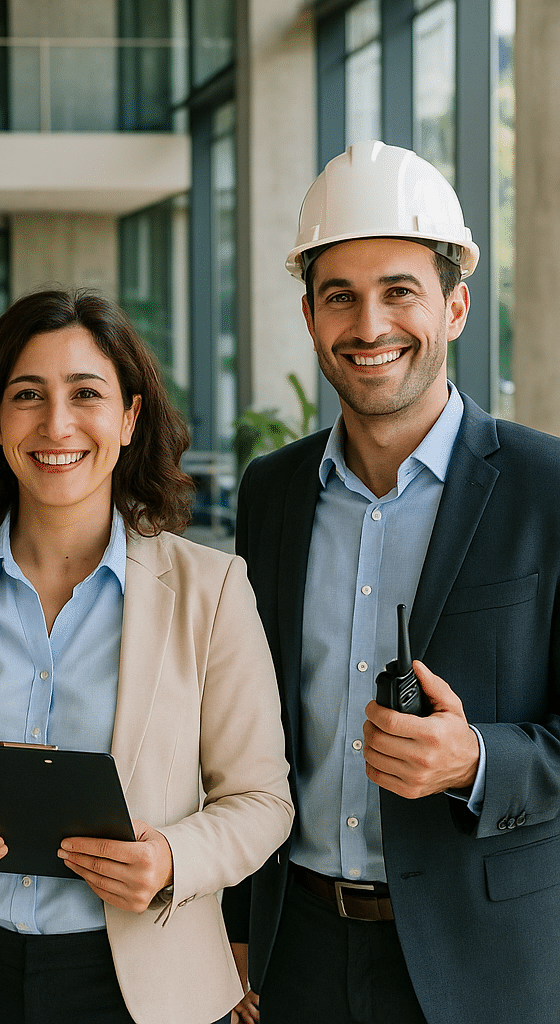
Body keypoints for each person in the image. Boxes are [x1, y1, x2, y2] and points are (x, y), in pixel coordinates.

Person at [0, 288, 294, 1024]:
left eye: (86, 393)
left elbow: (262, 799)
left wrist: (173, 859)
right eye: (27, 395)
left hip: (146, 987)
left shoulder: (211, 589)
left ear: (129, 418)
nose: (56, 424)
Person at [224, 139, 560, 1024]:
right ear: (309, 316)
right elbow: (247, 725)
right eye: (340, 296)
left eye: (399, 292)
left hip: (482, 964)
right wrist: (237, 924)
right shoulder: (271, 493)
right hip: (295, 953)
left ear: (455, 307)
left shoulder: (547, 490)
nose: (369, 326)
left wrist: (477, 761)